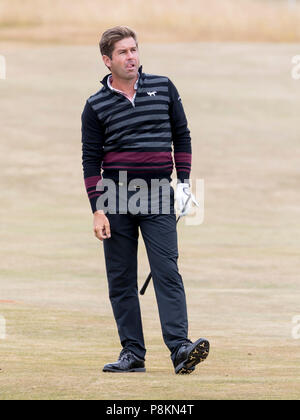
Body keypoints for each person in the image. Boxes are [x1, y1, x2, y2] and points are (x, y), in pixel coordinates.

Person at [81, 26, 209, 374]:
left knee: (167, 271)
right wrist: (98, 209)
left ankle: (180, 349)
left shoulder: (164, 87)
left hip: (157, 195)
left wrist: (183, 183)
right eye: (122, 52)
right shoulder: (95, 105)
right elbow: (91, 160)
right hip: (116, 196)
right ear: (107, 61)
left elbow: (181, 135)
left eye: (134, 49)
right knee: (121, 278)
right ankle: (133, 353)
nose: (131, 56)